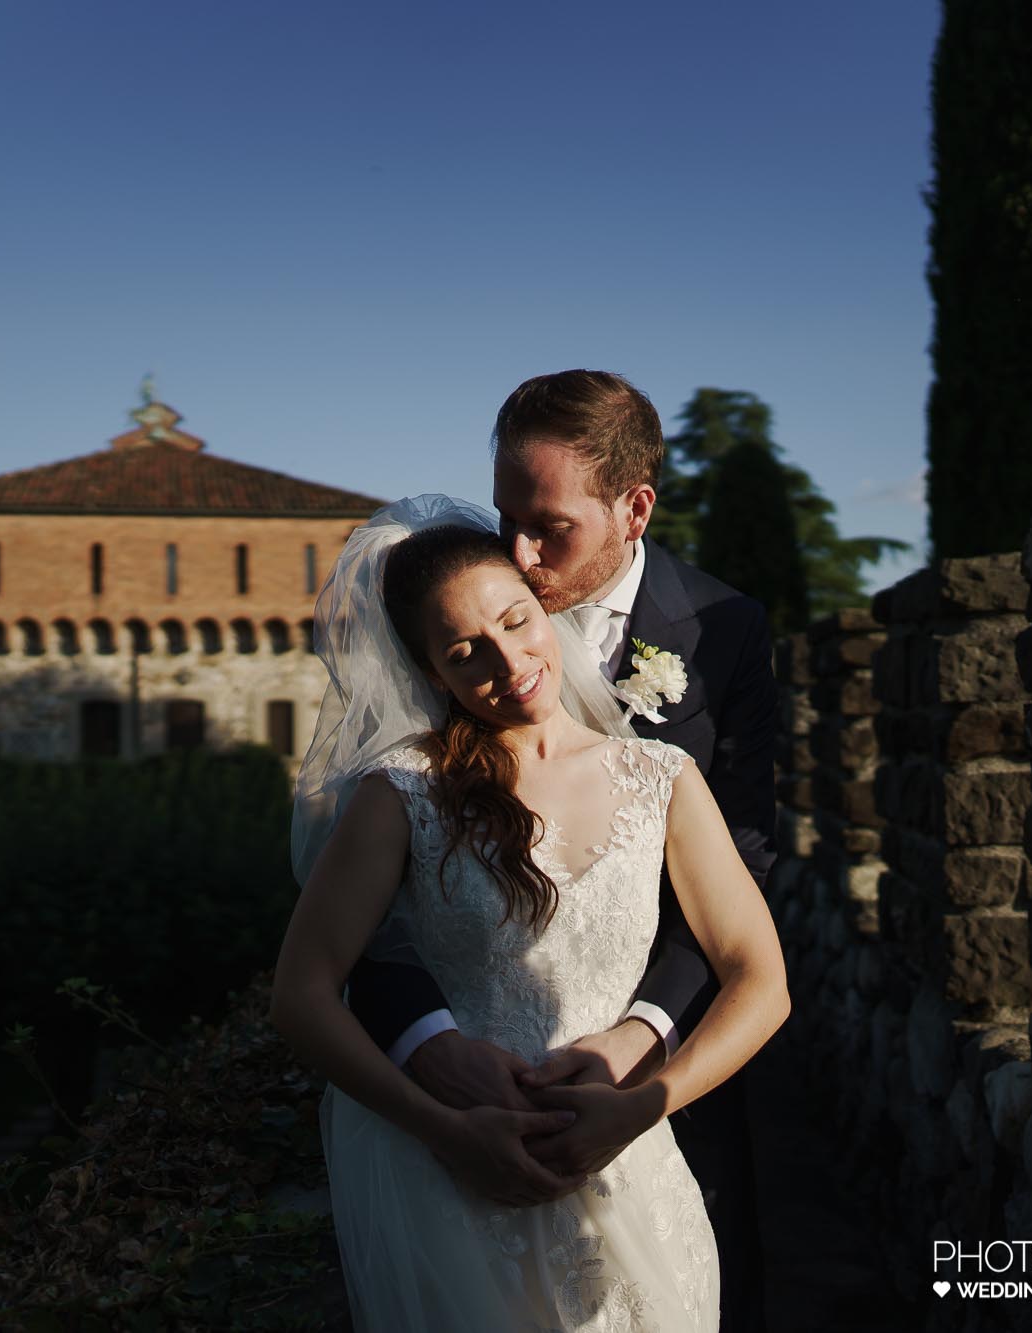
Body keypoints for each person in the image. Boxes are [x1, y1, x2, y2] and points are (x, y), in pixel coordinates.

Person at [270, 500, 790, 1330]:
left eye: (516, 619)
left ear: (543, 605)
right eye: (465, 652)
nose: (509, 662)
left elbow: (761, 980)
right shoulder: (400, 794)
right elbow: (300, 993)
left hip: (625, 1166)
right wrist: (442, 1128)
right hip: (457, 1184)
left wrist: (645, 1103)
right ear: (431, 673)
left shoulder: (663, 777)